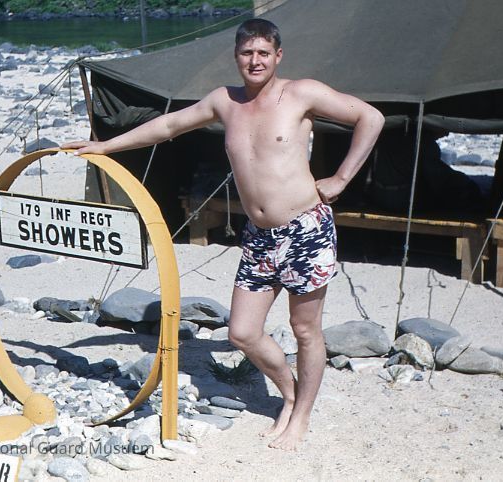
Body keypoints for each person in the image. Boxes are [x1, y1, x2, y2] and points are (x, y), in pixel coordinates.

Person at [63, 18, 384, 450]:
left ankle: (301, 416)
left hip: (306, 230)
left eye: (263, 53)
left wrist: (342, 178)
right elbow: (168, 126)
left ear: (278, 56)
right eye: (247, 53)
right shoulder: (225, 101)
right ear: (236, 57)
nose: (255, 61)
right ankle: (290, 394)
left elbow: (371, 117)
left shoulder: (301, 93)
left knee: (305, 329)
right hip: (259, 237)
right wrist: (105, 146)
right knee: (242, 333)